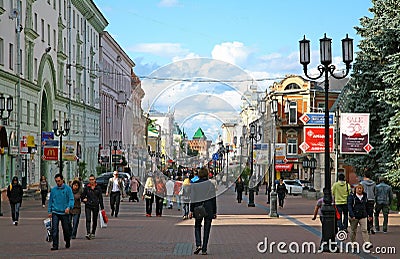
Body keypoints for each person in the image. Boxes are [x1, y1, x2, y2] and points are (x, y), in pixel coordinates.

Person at [190, 167, 217, 255]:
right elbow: (213, 199)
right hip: (209, 208)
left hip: (198, 208)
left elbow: (193, 198)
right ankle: (204, 249)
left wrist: (191, 210)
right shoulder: (211, 185)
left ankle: (198, 244)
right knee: (207, 228)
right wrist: (214, 211)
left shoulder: (195, 184)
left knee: (197, 226)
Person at [48, 173, 74, 251]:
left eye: (59, 181)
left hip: (64, 212)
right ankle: (55, 245)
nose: (58, 183)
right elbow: (50, 201)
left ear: (62, 180)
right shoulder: (54, 190)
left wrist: (69, 207)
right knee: (54, 229)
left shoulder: (68, 189)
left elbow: (71, 199)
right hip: (55, 211)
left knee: (66, 229)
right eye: (56, 181)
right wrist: (50, 211)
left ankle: (67, 240)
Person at [347, 184, 373, 248]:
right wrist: (352, 214)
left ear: (362, 189)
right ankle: (353, 243)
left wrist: (370, 215)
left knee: (364, 229)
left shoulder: (365, 196)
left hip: (363, 215)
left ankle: (367, 243)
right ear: (355, 189)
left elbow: (367, 206)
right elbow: (349, 206)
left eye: (360, 188)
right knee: (353, 230)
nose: (359, 189)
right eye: (358, 188)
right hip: (354, 216)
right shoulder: (352, 196)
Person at [81, 174, 105, 240]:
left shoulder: (98, 188)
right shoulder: (87, 187)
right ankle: (88, 233)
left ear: (95, 180)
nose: (91, 181)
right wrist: (84, 200)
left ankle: (93, 232)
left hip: (95, 205)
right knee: (88, 219)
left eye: (92, 180)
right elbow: (82, 195)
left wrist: (102, 207)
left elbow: (100, 198)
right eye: (90, 180)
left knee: (94, 220)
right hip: (88, 205)